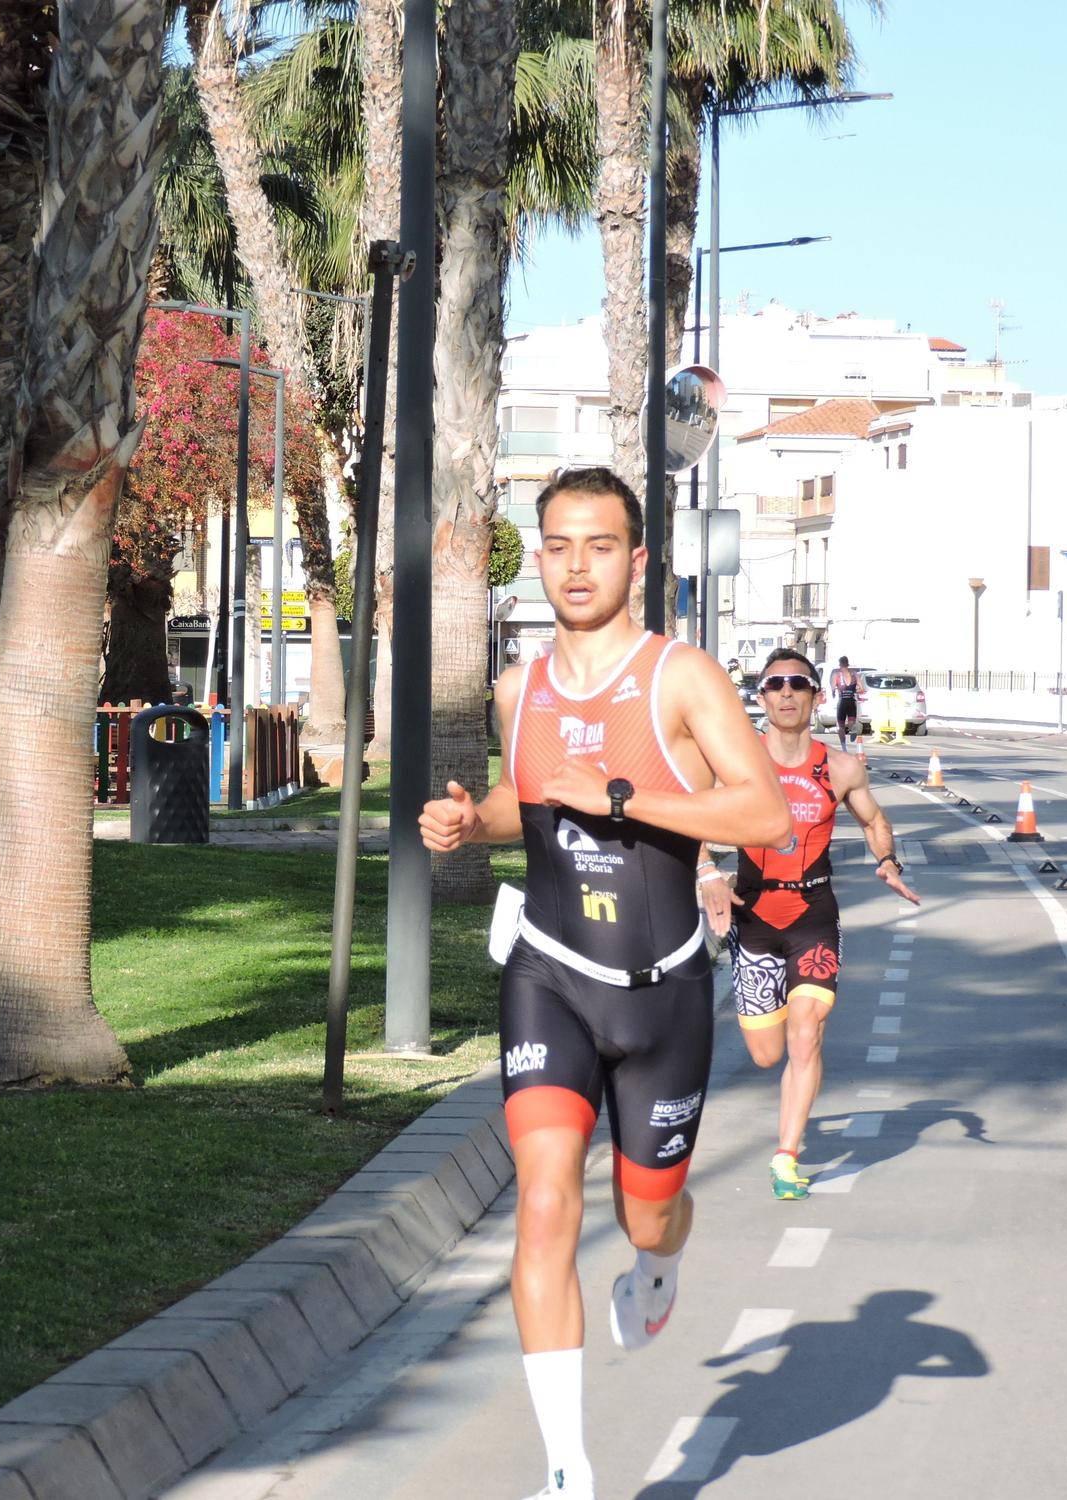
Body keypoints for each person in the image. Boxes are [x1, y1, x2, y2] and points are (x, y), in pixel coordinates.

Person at [419, 467, 791, 1500]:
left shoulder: (678, 677)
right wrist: (470, 821)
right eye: (557, 545)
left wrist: (626, 797)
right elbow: (523, 799)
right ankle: (566, 1470)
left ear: (635, 559)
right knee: (541, 1203)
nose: (575, 564)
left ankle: (659, 1265)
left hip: (662, 992)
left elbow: (764, 817)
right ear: (535, 557)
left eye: (597, 545)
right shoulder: (518, 687)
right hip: (550, 975)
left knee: (643, 1216)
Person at [699, 646, 919, 1202]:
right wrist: (708, 872)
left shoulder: (841, 768)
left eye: (798, 683)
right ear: (761, 696)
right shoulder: (737, 763)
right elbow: (690, 819)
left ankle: (786, 1154)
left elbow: (874, 820)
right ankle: (791, 1134)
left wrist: (887, 860)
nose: (787, 693)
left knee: (806, 1033)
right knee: (767, 1054)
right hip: (753, 917)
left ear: (817, 694)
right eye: (775, 685)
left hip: (813, 914)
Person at [828, 654, 865, 751]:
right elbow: (862, 688)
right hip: (851, 701)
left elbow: (832, 688)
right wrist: (854, 691)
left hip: (842, 702)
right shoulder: (854, 674)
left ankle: (844, 747)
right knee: (851, 723)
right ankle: (853, 730)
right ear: (847, 664)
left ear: (840, 665)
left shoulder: (837, 675)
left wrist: (833, 692)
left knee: (841, 726)